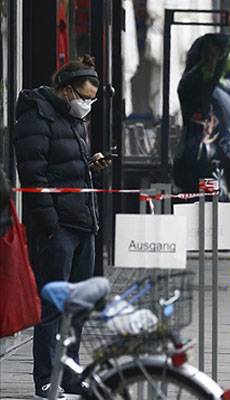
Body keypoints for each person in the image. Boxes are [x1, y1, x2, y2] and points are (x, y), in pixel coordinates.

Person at [13, 54, 112, 398]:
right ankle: (46, 377)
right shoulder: (36, 115)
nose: (88, 104)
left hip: (83, 221)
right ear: (66, 90)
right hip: (58, 228)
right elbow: (34, 174)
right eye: (85, 97)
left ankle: (70, 373)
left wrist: (89, 164)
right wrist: (51, 224)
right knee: (54, 307)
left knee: (78, 307)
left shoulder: (70, 118)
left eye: (92, 99)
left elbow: (62, 165)